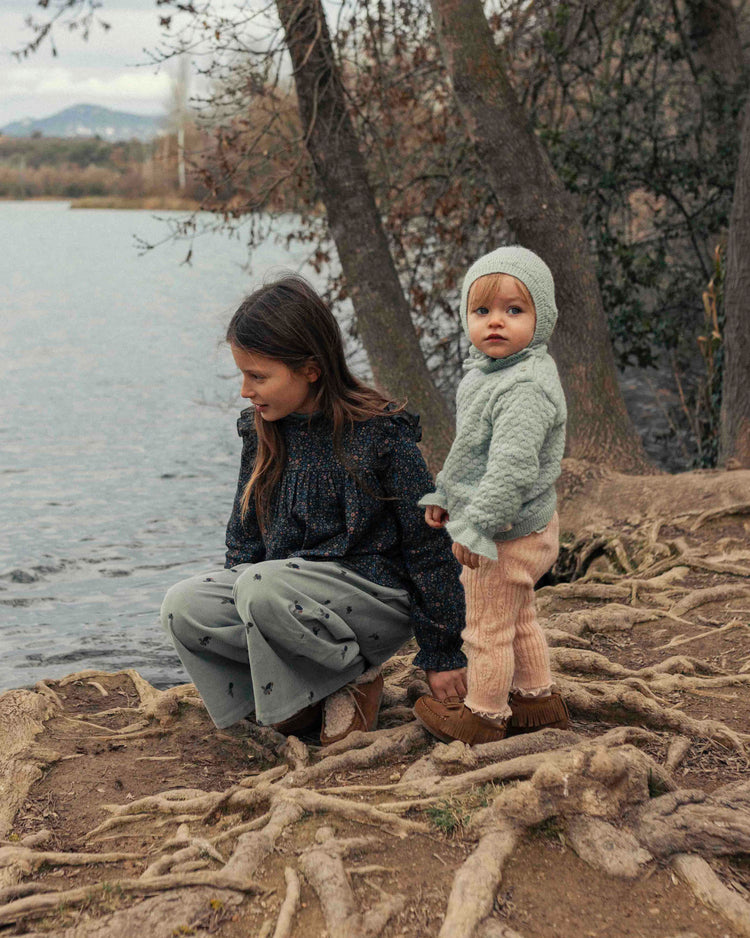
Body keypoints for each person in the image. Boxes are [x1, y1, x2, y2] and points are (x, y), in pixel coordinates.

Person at [161, 274, 466, 745]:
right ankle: (285, 697)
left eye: (258, 376)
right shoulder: (261, 430)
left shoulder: (381, 434)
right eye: (243, 374)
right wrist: (244, 609)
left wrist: (443, 653)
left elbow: (429, 549)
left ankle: (352, 679)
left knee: (261, 587)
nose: (245, 390)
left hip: (371, 600)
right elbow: (244, 543)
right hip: (283, 594)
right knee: (184, 605)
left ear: (311, 368)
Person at [414, 246, 569, 745]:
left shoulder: (524, 387)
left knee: (485, 627)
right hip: (523, 522)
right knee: (518, 615)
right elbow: (472, 453)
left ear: (540, 317)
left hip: (507, 530)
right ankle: (537, 702)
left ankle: (482, 717)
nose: (495, 322)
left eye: (513, 310)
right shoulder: (488, 373)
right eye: (482, 311)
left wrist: (476, 526)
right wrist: (446, 493)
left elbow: (510, 470)